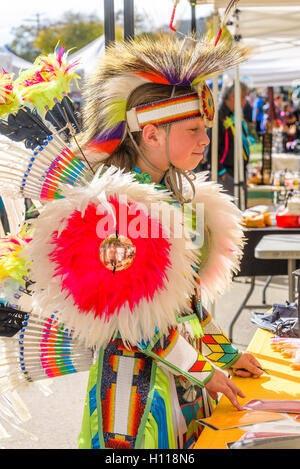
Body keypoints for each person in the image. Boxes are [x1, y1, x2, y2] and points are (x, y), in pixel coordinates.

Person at [0, 35, 262, 450]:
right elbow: (135, 323)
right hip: (133, 395)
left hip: (186, 380)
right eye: (194, 129)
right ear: (153, 135)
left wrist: (226, 355)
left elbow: (189, 302)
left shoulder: (180, 198)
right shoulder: (116, 210)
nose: (204, 141)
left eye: (205, 130)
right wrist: (205, 370)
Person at [205, 82, 252, 201]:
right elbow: (210, 151)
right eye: (243, 97)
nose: (245, 101)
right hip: (226, 174)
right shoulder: (218, 116)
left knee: (241, 210)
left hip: (238, 172)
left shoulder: (234, 115)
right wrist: (223, 173)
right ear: (233, 96)